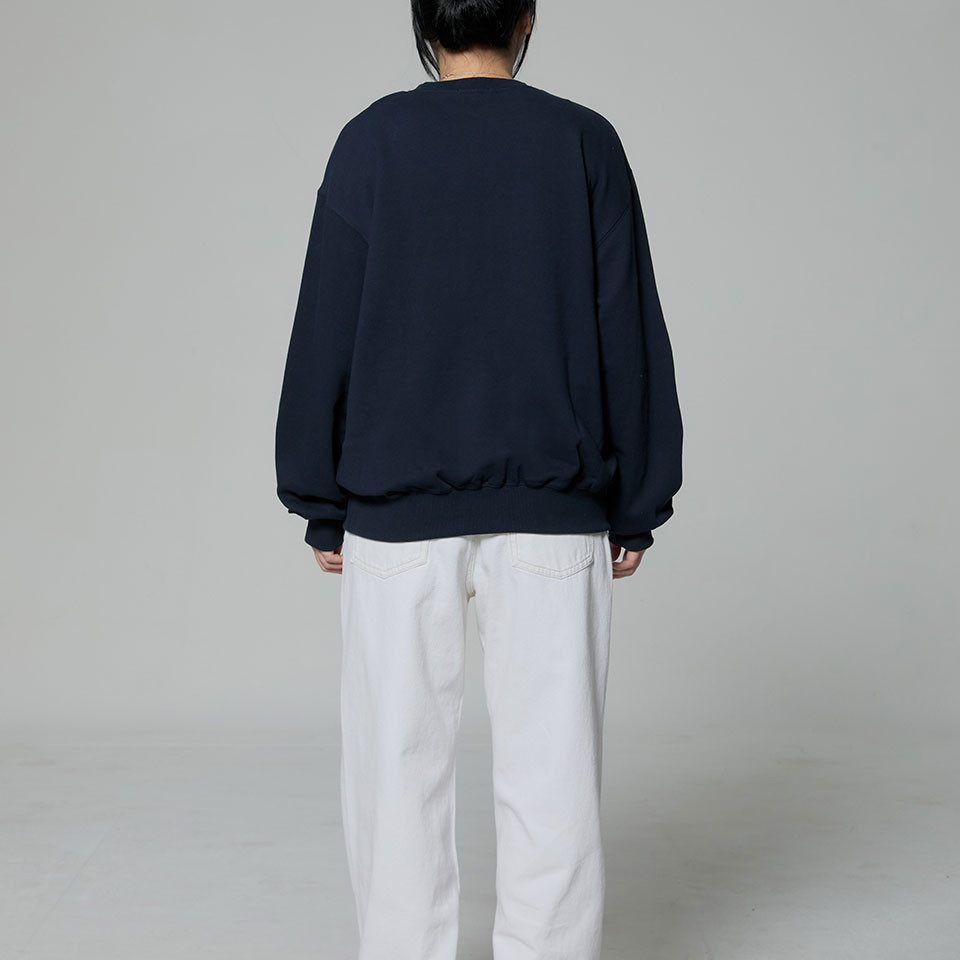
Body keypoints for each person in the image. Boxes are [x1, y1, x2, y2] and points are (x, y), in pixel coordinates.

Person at [274, 1, 683, 957]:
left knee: (395, 778)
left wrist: (319, 500)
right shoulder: (582, 142)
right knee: (554, 783)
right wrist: (637, 500)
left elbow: (326, 324)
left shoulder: (372, 142)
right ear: (527, 16)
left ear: (423, 21)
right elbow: (626, 329)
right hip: (554, 510)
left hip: (393, 513)